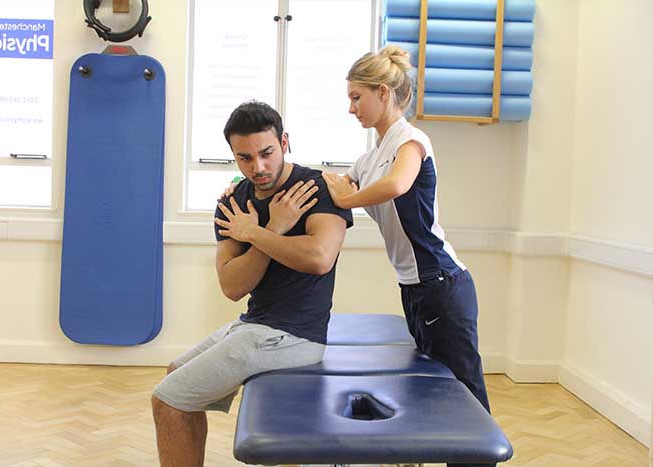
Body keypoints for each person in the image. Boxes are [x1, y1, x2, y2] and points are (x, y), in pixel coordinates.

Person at [151, 100, 353, 467]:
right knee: (176, 378)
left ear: (285, 142)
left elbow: (320, 258)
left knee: (167, 399)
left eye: (267, 153)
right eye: (245, 158)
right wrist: (272, 229)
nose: (258, 167)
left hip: (297, 336)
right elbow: (232, 285)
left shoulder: (315, 189)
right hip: (255, 325)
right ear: (233, 155)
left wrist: (257, 233)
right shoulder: (234, 202)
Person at [322, 46, 494, 467]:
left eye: (356, 97)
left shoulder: (411, 142)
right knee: (432, 388)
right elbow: (331, 183)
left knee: (465, 395)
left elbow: (398, 185)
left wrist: (351, 195)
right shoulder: (372, 155)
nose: (350, 108)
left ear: (383, 93)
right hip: (416, 289)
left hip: (442, 284)